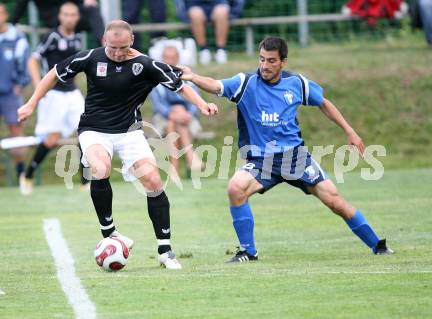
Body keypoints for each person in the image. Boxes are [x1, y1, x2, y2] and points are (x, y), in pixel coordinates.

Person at [18, 20, 218, 269]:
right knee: (100, 169)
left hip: (130, 132)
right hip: (93, 130)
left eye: (122, 47)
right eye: (112, 47)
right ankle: (110, 233)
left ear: (131, 41)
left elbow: (180, 85)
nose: (117, 53)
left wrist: (202, 105)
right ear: (104, 41)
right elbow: (54, 74)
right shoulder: (91, 57)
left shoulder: (145, 64)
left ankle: (165, 251)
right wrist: (31, 103)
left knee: (154, 182)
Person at [181, 36, 393, 262]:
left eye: (271, 61)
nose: (264, 66)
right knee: (236, 188)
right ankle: (248, 252)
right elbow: (216, 85)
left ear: (283, 62)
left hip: (295, 158)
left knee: (335, 201)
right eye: (262, 59)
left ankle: (377, 245)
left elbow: (323, 102)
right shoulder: (246, 83)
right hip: (263, 162)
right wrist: (193, 77)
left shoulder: (297, 84)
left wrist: (349, 131)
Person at [20, 2, 88, 195]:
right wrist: (38, 87)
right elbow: (32, 59)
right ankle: (28, 175)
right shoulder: (52, 36)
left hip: (72, 94)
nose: (69, 18)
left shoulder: (77, 38)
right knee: (52, 139)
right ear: (60, 16)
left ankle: (86, 182)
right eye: (66, 14)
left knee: (85, 132)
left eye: (73, 14)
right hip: (54, 94)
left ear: (77, 17)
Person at [150, 45, 204, 180]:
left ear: (178, 58)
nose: (169, 62)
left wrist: (186, 114)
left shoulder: (187, 75)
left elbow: (196, 101)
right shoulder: (156, 77)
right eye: (167, 58)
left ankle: (174, 170)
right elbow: (158, 106)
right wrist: (172, 113)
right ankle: (191, 157)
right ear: (162, 59)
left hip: (187, 118)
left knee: (174, 122)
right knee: (172, 120)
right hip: (163, 118)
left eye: (172, 58)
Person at [0, 3, 30, 183]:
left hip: (10, 93)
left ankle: (21, 175)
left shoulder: (17, 39)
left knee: (16, 130)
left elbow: (24, 67)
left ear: (5, 15)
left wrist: (19, 86)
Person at [12, 0, 104, 46]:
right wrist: (12, 24)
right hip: (54, 19)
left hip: (72, 16)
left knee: (92, 9)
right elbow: (21, 4)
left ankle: (104, 44)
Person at [179, 0, 230, 65]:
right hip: (194, 4)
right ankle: (204, 50)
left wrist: (233, 14)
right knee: (195, 13)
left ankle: (221, 50)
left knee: (221, 12)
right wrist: (184, 17)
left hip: (218, 3)